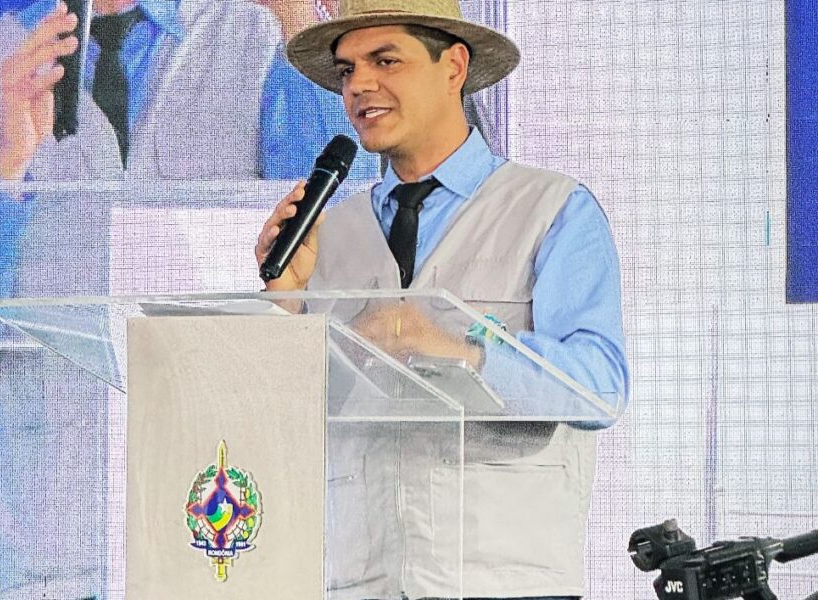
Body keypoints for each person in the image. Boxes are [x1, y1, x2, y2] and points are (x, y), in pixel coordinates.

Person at [0, 0, 378, 598]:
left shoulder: (265, 41)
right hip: (45, 566)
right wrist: (5, 166)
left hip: (214, 546)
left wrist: (304, 41)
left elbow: (352, 286)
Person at [255, 1, 631, 598]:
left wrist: (456, 348)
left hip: (504, 580)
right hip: (362, 580)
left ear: (454, 66)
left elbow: (599, 388)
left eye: (385, 61)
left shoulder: (552, 209)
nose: (359, 85)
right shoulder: (326, 231)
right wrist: (285, 303)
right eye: (348, 69)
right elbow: (281, 422)